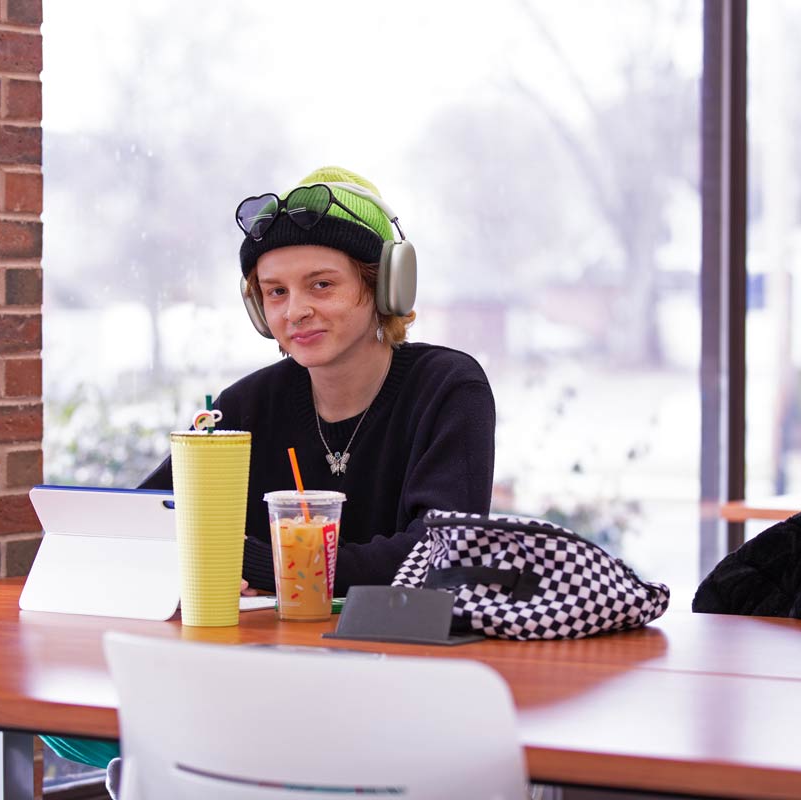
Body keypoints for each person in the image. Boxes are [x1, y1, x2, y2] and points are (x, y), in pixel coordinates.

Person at [42, 166, 497, 782]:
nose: (296, 311)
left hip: (398, 687)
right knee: (66, 725)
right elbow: (144, 526)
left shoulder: (449, 387)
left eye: (321, 285)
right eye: (275, 292)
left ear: (385, 287)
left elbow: (443, 554)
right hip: (261, 679)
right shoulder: (247, 402)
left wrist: (252, 561)